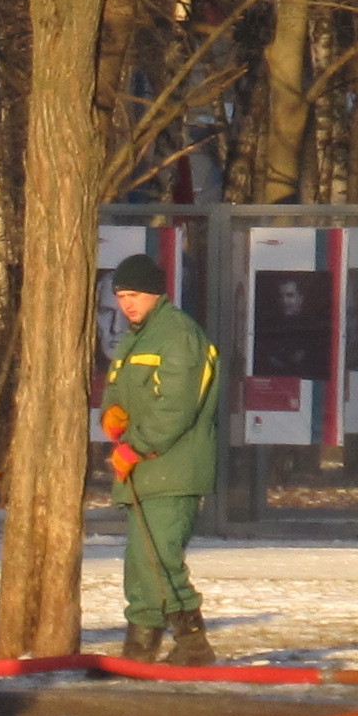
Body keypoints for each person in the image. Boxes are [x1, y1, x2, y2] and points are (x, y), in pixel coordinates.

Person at [100, 254, 219, 663]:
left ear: (154, 293)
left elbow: (176, 406)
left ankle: (193, 645)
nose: (126, 304)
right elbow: (118, 386)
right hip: (144, 468)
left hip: (173, 466)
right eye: (121, 296)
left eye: (133, 295)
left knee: (161, 557)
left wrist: (135, 446)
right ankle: (140, 647)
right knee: (141, 559)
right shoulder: (138, 336)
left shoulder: (178, 335)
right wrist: (111, 413)